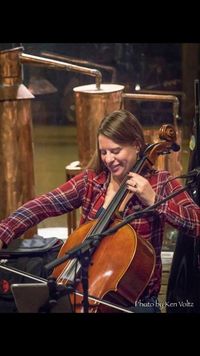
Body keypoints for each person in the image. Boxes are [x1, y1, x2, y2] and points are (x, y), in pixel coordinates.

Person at [0, 109, 200, 313]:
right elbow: (41, 205)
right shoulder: (91, 182)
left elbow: (197, 223)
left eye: (115, 151)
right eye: (103, 152)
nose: (108, 159)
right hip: (80, 290)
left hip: (137, 301)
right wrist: (3, 232)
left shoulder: (160, 183)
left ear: (136, 145)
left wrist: (154, 200)